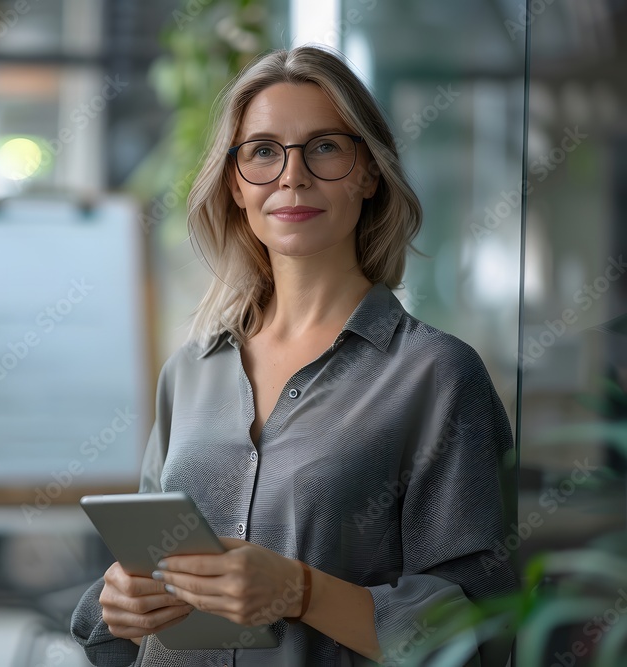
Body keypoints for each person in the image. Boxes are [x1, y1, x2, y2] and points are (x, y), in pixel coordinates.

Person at [70, 44, 518, 666]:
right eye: (262, 152)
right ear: (235, 183)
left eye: (326, 147)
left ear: (369, 172)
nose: (291, 176)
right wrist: (118, 603)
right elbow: (147, 575)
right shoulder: (191, 373)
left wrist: (298, 591)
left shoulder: (438, 376)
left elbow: (479, 633)